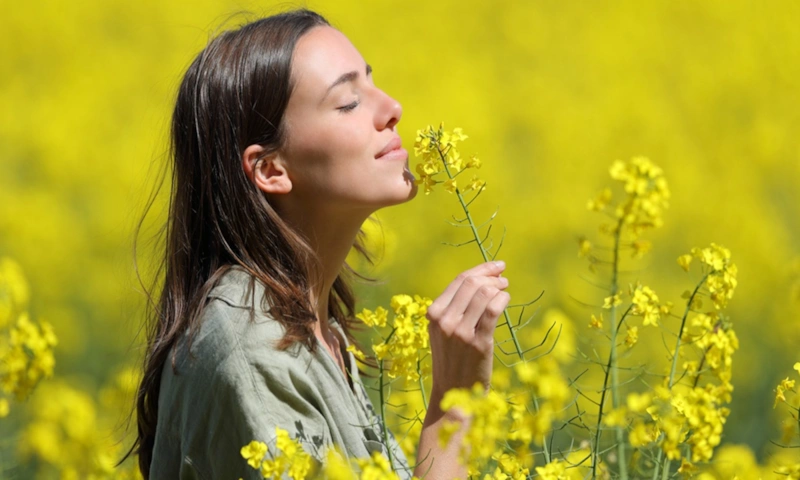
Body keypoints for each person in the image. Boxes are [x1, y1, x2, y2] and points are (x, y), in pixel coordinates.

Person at [127, 8, 510, 480]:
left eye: (372, 81)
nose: (392, 108)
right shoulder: (252, 351)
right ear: (271, 169)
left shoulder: (310, 326)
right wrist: (455, 408)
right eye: (348, 102)